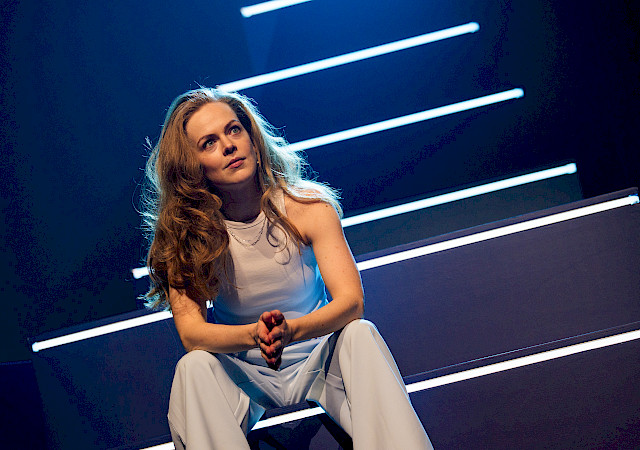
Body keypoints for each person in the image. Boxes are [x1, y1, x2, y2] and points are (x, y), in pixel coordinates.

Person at [141, 87, 433, 449]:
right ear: (191, 166)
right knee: (193, 368)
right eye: (209, 143)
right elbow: (192, 334)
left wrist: (290, 332)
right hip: (243, 373)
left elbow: (352, 302)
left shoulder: (309, 207)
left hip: (319, 358)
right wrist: (256, 336)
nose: (229, 146)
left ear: (252, 138)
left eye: (234, 130)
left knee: (361, 334)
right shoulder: (184, 234)